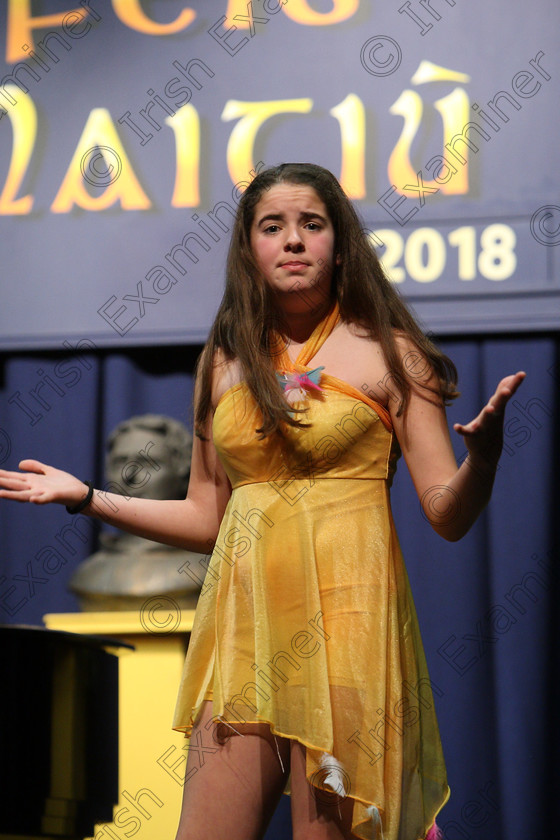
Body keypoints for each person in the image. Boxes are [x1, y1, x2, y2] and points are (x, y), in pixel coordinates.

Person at [0, 163, 525, 840]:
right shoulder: (222, 362)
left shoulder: (394, 357)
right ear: (250, 247)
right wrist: (88, 498)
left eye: (312, 224)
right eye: (272, 226)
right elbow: (208, 517)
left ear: (341, 243)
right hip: (242, 638)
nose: (294, 240)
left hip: (349, 638)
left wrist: (482, 460)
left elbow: (446, 515)